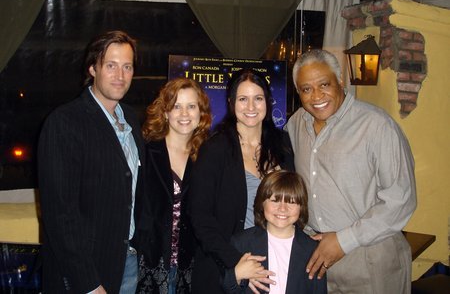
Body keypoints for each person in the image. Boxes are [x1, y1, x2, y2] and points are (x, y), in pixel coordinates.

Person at [285, 49, 417, 293]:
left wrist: (343, 241)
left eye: (324, 84)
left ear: (340, 81)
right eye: (306, 89)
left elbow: (401, 200)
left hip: (370, 257)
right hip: (317, 257)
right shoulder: (296, 125)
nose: (316, 96)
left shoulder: (377, 126)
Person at [38, 30, 145, 294]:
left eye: (127, 67)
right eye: (111, 65)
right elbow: (60, 214)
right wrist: (88, 283)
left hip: (127, 264)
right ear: (93, 68)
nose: (120, 76)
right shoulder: (65, 123)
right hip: (84, 276)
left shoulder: (131, 120)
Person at [188, 68, 295, 293]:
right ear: (231, 102)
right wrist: (236, 261)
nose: (251, 107)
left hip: (276, 261)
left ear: (267, 101)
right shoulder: (215, 149)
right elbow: (200, 216)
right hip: (228, 267)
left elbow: (294, 199)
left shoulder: (282, 145)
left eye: (258, 98)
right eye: (243, 99)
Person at [136, 77, 212, 293]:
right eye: (176, 106)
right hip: (146, 266)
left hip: (191, 268)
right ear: (166, 112)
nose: (185, 114)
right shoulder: (145, 151)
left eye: (191, 106)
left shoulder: (207, 157)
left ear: (201, 113)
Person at [223, 170, 327, 294]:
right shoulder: (241, 243)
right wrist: (237, 275)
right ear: (262, 203)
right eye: (275, 200)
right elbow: (224, 286)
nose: (282, 208)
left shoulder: (313, 250)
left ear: (302, 207)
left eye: (291, 202)